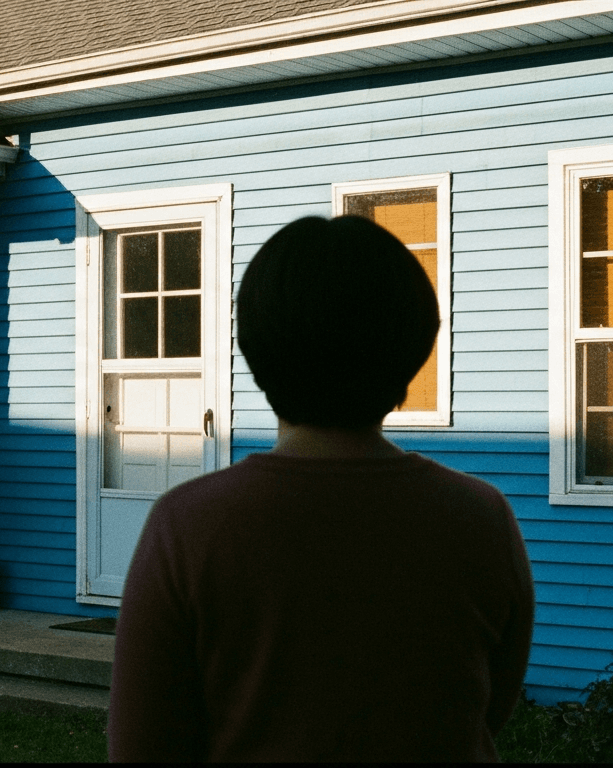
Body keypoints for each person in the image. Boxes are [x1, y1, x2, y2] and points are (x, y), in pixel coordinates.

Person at [108, 215, 535, 762]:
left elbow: (143, 747)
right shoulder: (480, 518)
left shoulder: (189, 526)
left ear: (255, 347)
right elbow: (486, 710)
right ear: (416, 346)